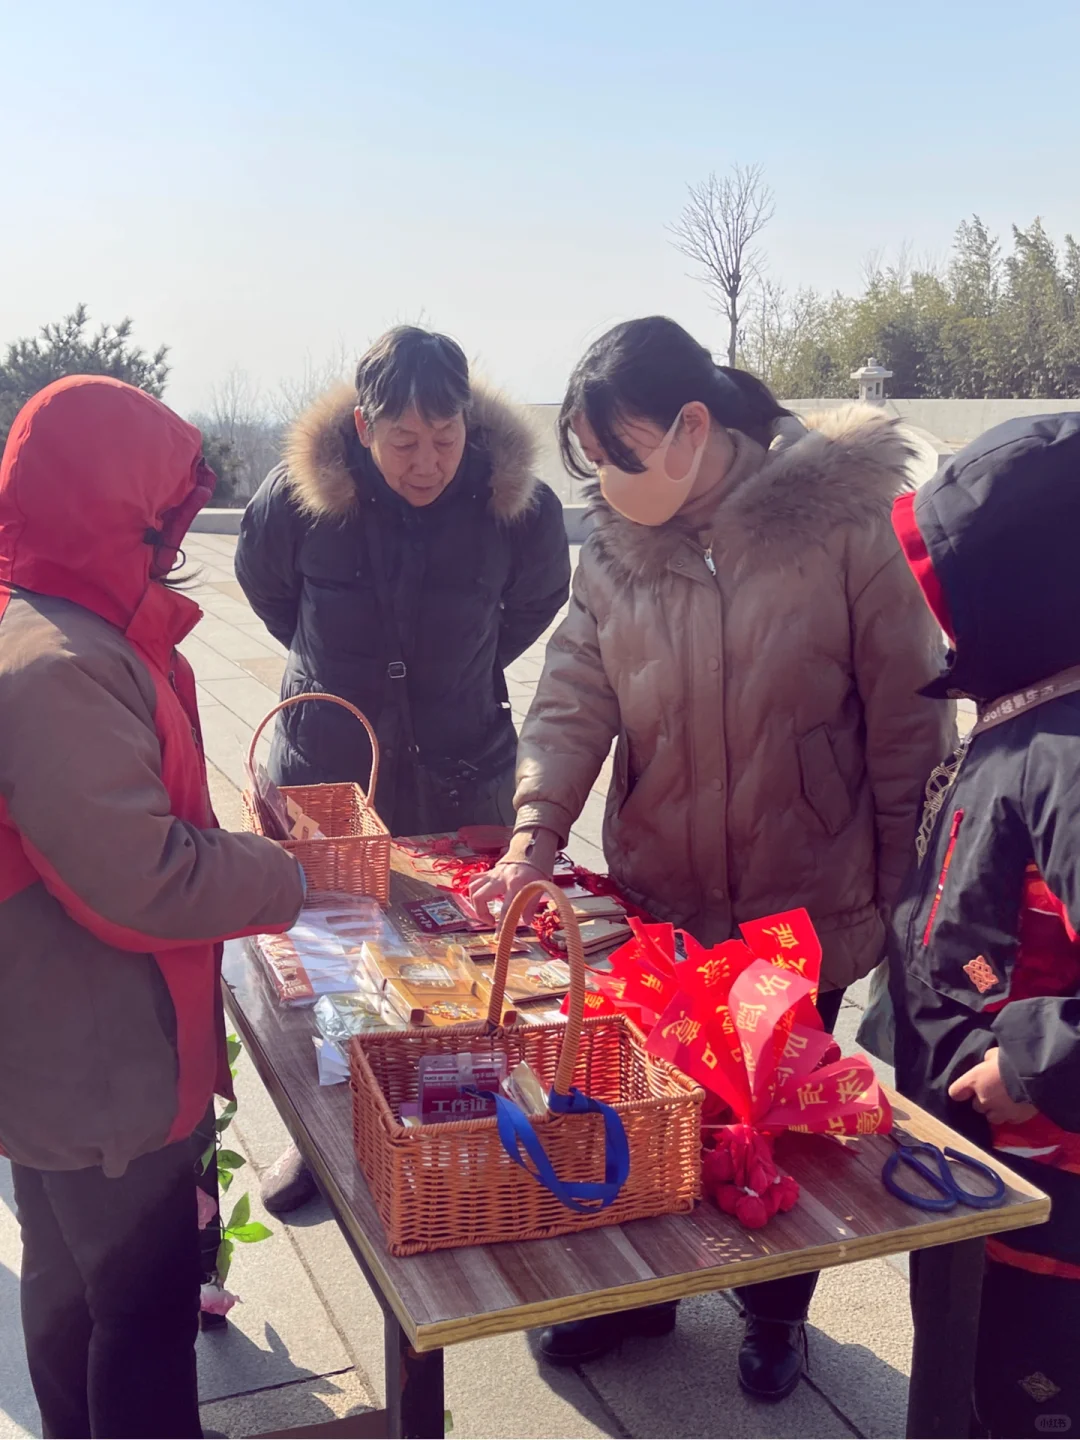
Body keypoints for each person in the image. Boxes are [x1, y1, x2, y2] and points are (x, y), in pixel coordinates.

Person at [472, 316, 952, 1399]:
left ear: (693, 426)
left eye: (618, 451)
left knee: (780, 1127)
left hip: (805, 899)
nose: (604, 478)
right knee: (653, 1101)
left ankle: (775, 1313)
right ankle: (639, 1299)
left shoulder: (842, 526)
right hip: (664, 891)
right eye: (589, 457)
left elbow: (911, 726)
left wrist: (900, 905)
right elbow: (573, 700)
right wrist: (533, 836)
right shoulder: (617, 551)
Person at [0, 376, 306, 1440]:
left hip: (66, 1054)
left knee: (69, 1288)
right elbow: (143, 879)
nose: (173, 540)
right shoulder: (59, 665)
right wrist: (288, 879)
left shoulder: (65, 625)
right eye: (163, 517)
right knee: (135, 1313)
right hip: (100, 1070)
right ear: (111, 508)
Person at [236, 326, 570, 1212]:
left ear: (472, 427)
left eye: (446, 439)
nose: (427, 464)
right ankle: (322, 1137)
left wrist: (456, 673)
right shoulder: (305, 498)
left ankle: (455, 1124)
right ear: (362, 426)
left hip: (463, 763)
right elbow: (266, 587)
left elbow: (539, 597)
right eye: (403, 443)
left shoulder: (514, 505)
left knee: (461, 961)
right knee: (331, 963)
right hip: (334, 768)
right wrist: (330, 672)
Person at [886, 413, 1080, 1439]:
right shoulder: (1028, 712)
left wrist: (1034, 1065)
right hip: (974, 1160)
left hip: (1046, 1194)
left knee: (1017, 1392)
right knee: (956, 1367)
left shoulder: (1067, 757)